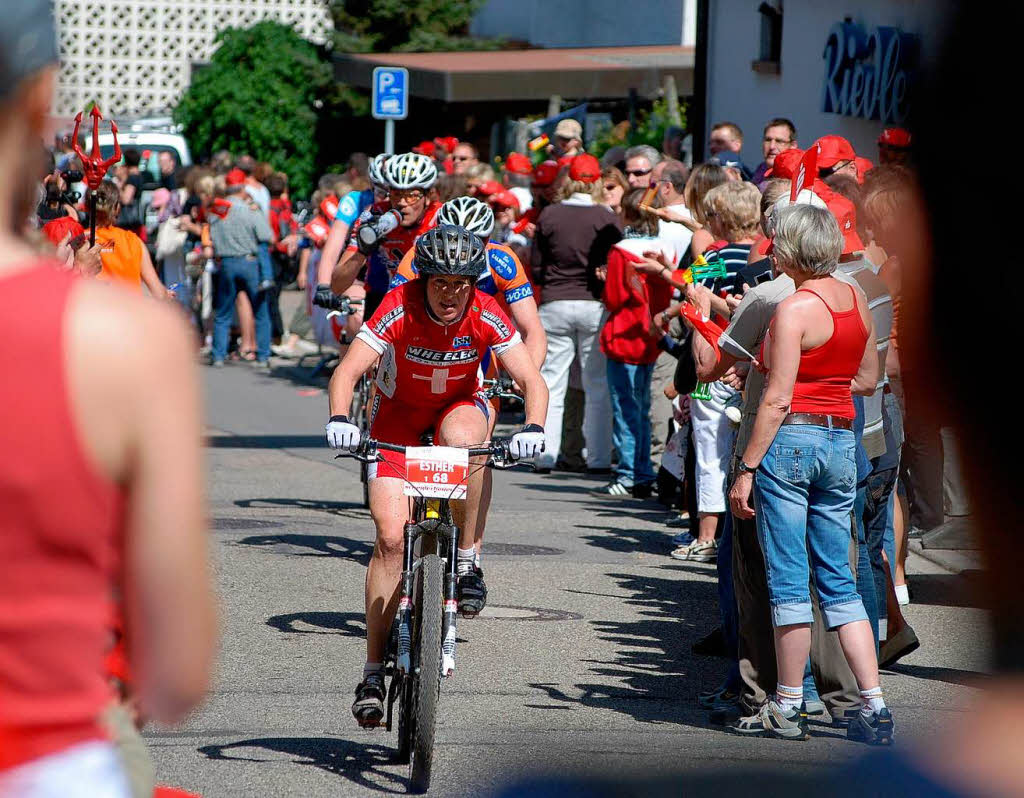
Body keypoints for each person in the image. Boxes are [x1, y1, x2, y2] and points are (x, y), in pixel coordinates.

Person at [0, 7, 215, 791]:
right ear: (38, 99)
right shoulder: (127, 344)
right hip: (41, 755)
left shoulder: (116, 261)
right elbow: (177, 671)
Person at [325, 225, 548, 727]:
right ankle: (372, 670)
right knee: (387, 539)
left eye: (462, 284)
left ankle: (466, 559)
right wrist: (340, 419)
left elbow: (530, 378)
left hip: (455, 406)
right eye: (441, 283)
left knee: (469, 440)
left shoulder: (485, 312)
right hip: (396, 417)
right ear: (423, 279)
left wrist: (534, 427)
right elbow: (346, 372)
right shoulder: (399, 305)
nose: (451, 294)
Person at [728, 203, 887, 743]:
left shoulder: (793, 308)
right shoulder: (856, 299)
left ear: (792, 250)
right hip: (841, 437)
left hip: (792, 438)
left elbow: (774, 400)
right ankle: (874, 703)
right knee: (840, 580)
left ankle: (789, 703)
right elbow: (868, 379)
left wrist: (746, 467)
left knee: (789, 580)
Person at [391, 195, 546, 612]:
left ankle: (469, 556)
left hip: (482, 369)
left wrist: (521, 379)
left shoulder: (502, 260)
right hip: (423, 364)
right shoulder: (416, 258)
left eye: (473, 241)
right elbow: (393, 320)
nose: (461, 251)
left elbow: (533, 329)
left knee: (475, 453)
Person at [531, 154, 622, 473]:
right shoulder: (607, 217)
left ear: (569, 179)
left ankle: (544, 454)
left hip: (555, 302)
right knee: (596, 384)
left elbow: (538, 267)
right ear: (596, 181)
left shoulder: (550, 214)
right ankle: (597, 458)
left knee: (551, 382)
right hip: (594, 304)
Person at [598, 188, 674, 497]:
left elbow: (614, 298)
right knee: (641, 406)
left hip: (623, 334)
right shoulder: (663, 250)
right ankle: (642, 471)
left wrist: (606, 282)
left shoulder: (619, 251)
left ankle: (628, 472)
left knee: (625, 407)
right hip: (651, 336)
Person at [331, 152, 441, 316]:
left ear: (428, 196)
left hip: (429, 304)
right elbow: (337, 285)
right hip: (382, 298)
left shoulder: (442, 218)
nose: (402, 203)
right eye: (396, 194)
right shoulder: (374, 214)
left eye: (412, 195)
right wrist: (362, 250)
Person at [208, 171, 275, 367]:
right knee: (261, 311)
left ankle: (218, 355)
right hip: (250, 262)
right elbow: (266, 235)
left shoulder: (217, 208)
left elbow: (211, 234)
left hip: (226, 262)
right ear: (243, 187)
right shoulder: (250, 209)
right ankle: (263, 356)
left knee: (223, 312)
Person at [91, 182, 169, 298]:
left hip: (90, 312)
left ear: (87, 207)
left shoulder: (79, 239)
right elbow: (159, 293)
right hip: (129, 312)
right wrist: (166, 294)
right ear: (117, 208)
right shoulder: (132, 241)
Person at [751, 118, 798, 187]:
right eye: (768, 140)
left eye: (779, 141)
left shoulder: (800, 177)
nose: (772, 147)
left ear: (793, 146)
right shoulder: (760, 171)